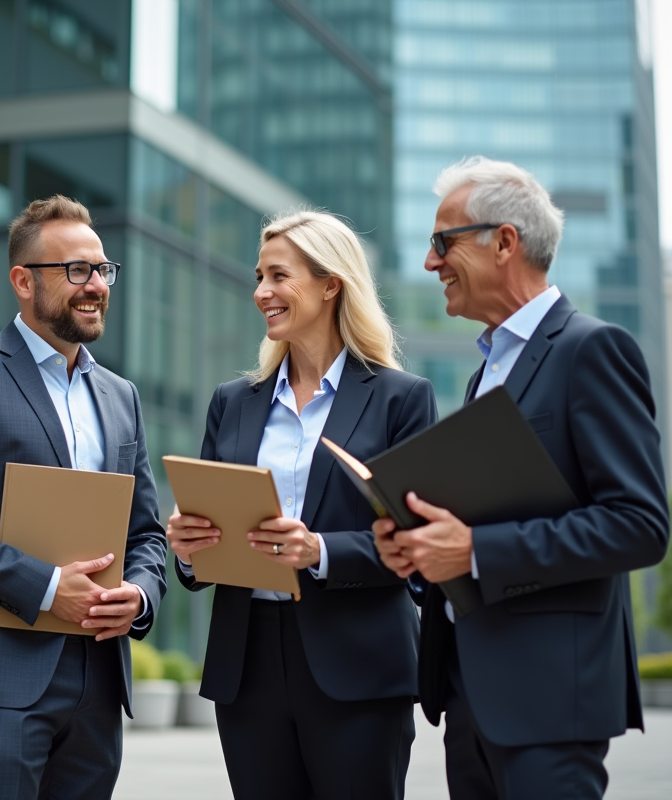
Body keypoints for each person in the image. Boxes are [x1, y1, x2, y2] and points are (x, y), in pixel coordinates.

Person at [373, 156, 669, 799]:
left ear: (504, 241)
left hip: (550, 703)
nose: (431, 263)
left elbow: (640, 526)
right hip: (471, 699)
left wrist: (475, 550)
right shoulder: (487, 375)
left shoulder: (592, 350)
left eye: (442, 242)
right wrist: (424, 553)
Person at [0, 195, 168, 800]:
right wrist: (48, 587)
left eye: (103, 270)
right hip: (2, 677)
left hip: (99, 680)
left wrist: (141, 596)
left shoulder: (121, 396)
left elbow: (146, 532)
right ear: (24, 281)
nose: (96, 284)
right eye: (77, 270)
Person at [167, 211, 436, 799]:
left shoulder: (401, 399)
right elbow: (205, 545)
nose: (262, 292)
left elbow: (417, 543)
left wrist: (319, 550)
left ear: (330, 283)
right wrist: (189, 551)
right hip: (249, 664)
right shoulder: (232, 402)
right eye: (258, 277)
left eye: (278, 276)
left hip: (359, 663)